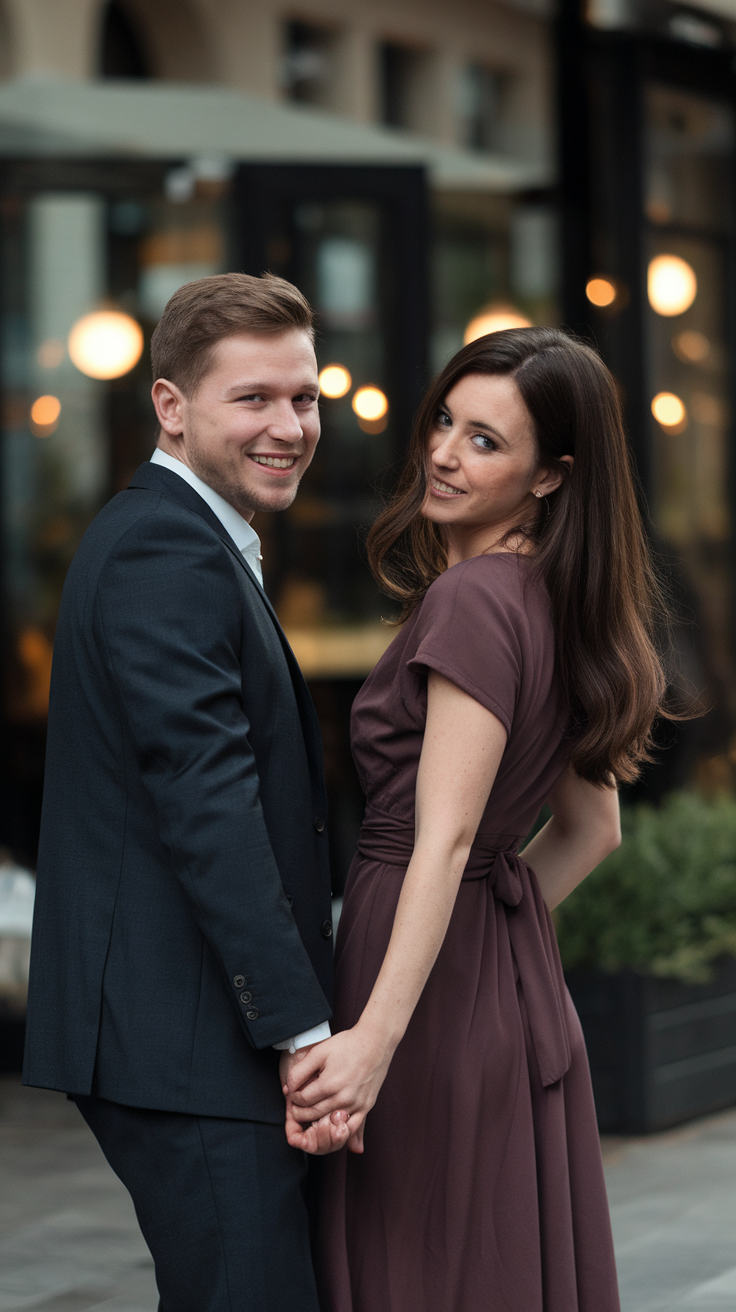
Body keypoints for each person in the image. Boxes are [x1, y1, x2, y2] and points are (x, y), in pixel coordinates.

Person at [284, 328, 675, 1311]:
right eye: (445, 423)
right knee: (486, 1260)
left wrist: (373, 1037)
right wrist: (487, 939)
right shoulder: (561, 601)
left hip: (414, 993)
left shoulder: (472, 601)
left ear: (551, 476)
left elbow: (445, 837)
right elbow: (593, 830)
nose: (446, 453)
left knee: (413, 1263)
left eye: (486, 441)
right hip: (496, 980)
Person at [23, 273, 345, 1312]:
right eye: (253, 399)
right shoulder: (167, 546)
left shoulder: (199, 537)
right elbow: (208, 806)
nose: (289, 425)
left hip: (189, 1027)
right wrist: (301, 1032)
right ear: (171, 406)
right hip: (187, 1034)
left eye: (303, 397)